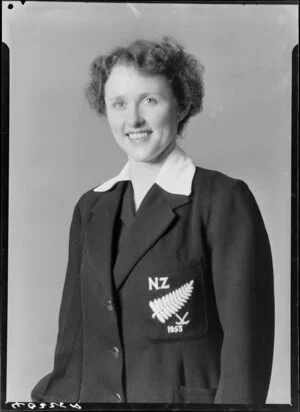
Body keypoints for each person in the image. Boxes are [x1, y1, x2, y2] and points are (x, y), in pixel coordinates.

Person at [31, 36, 274, 404]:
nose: (134, 120)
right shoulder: (90, 207)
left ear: (182, 105)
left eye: (149, 100)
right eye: (118, 104)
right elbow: (73, 344)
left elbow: (246, 350)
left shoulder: (222, 199)